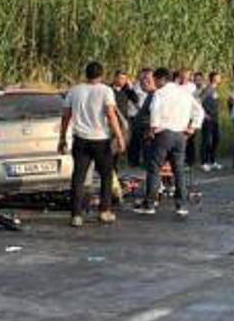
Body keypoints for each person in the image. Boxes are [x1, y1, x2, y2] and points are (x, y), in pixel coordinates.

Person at [59, 61, 125, 226]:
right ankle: (104, 211)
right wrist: (119, 136)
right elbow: (110, 115)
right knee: (106, 175)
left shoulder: (74, 91)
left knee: (78, 177)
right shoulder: (105, 91)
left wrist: (62, 138)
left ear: (85, 74)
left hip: (80, 139)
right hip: (101, 139)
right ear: (101, 75)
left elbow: (66, 116)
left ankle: (76, 215)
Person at [137, 67, 204, 216]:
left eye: (154, 79)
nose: (153, 82)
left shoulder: (160, 93)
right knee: (178, 171)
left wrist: (152, 129)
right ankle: (181, 206)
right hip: (180, 135)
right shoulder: (184, 93)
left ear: (161, 79)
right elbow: (199, 111)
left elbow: (155, 111)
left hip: (163, 134)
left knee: (154, 169)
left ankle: (150, 205)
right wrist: (192, 128)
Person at [127, 70, 156, 168]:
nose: (144, 82)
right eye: (142, 79)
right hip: (140, 123)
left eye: (147, 79)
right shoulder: (150, 94)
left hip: (152, 128)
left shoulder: (157, 95)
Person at [200, 72, 223, 172]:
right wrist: (204, 114)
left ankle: (212, 161)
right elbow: (198, 101)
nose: (220, 78)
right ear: (213, 78)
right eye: (218, 77)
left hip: (215, 118)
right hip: (207, 119)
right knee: (207, 140)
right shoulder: (208, 89)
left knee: (216, 139)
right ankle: (204, 162)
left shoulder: (215, 89)